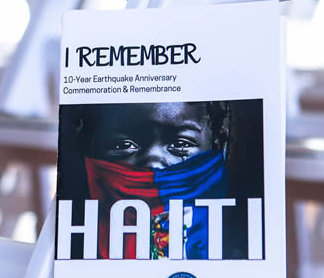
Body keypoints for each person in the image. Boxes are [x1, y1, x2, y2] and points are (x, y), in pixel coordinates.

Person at [64, 101, 231, 259]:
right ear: (86, 148)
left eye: (181, 144)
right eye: (123, 145)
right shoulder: (65, 251)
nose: (153, 164)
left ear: (218, 145)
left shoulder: (237, 258)